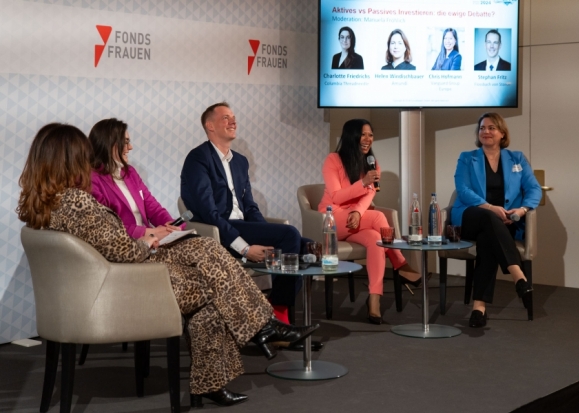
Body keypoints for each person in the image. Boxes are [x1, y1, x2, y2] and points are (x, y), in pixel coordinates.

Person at [17, 123, 318, 407]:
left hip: (109, 280)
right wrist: (148, 240)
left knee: (205, 254)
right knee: (210, 273)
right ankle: (259, 331)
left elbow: (114, 240)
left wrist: (161, 232)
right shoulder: (77, 203)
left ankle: (242, 350)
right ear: (68, 161)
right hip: (124, 286)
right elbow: (126, 251)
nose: (86, 164)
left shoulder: (46, 203)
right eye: (81, 158)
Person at [181, 102, 320, 350]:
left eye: (233, 117)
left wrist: (268, 235)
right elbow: (208, 213)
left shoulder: (240, 162)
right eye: (225, 118)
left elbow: (250, 206)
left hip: (244, 224)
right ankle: (280, 322)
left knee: (302, 244)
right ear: (209, 126)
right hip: (221, 232)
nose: (233, 121)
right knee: (290, 235)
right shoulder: (198, 159)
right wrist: (245, 248)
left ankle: (277, 320)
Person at [318, 119, 422, 325]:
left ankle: (374, 300)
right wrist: (363, 182)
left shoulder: (372, 163)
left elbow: (368, 196)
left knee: (376, 239)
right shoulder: (333, 159)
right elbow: (337, 197)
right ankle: (401, 264)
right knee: (378, 217)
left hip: (356, 219)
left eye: (370, 135)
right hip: (332, 219)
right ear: (351, 136)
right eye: (363, 135)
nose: (367, 140)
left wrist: (357, 210)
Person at [451, 113, 541, 328]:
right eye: (482, 128)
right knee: (487, 218)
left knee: (487, 240)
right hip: (470, 216)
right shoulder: (467, 157)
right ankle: (518, 275)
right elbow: (463, 189)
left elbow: (533, 189)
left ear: (502, 133)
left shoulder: (517, 158)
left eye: (492, 128)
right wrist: (490, 208)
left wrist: (522, 209)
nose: (486, 132)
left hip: (506, 222)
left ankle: (479, 308)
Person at [88, 118, 183, 240]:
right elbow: (106, 226)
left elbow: (153, 209)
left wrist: (170, 225)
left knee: (205, 244)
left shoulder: (130, 172)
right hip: (128, 245)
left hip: (150, 241)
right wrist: (149, 232)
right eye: (125, 142)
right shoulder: (91, 179)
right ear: (109, 143)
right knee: (205, 249)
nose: (130, 147)